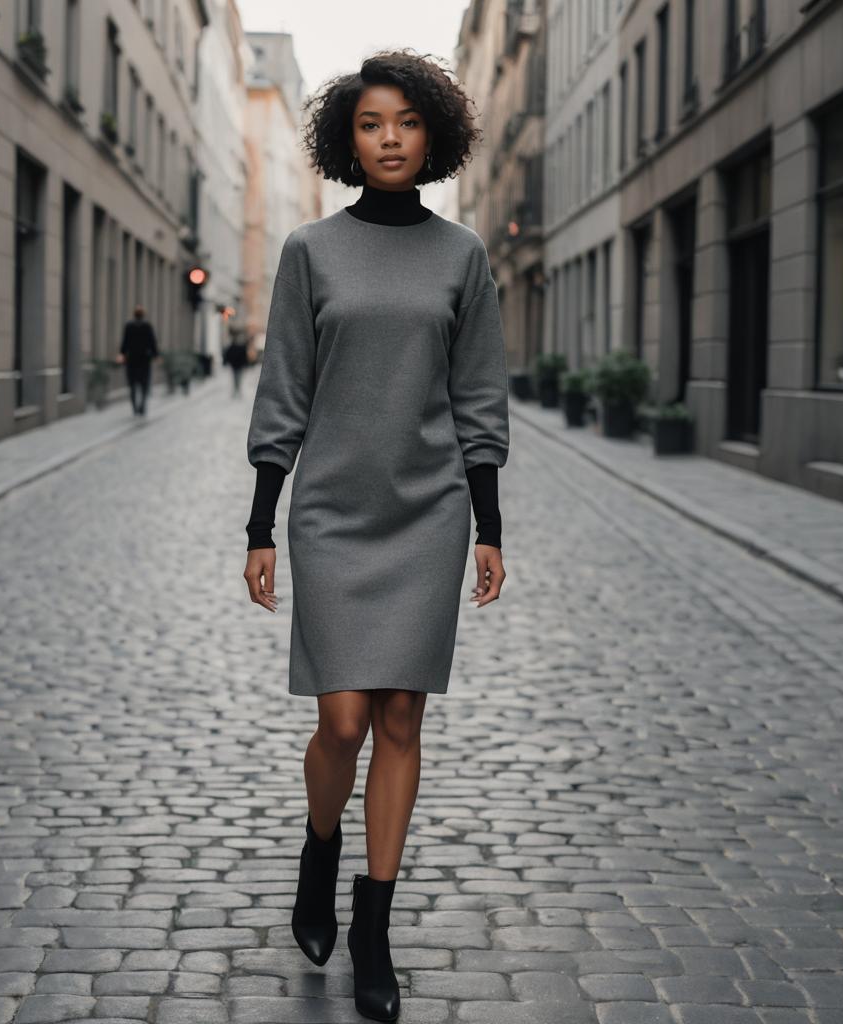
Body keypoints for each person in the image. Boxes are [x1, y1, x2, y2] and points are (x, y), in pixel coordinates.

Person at [242, 51, 509, 1022]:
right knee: (342, 718)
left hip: (428, 510)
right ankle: (320, 851)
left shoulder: (462, 257)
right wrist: (260, 521)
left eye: (404, 122)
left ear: (431, 133)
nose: (389, 138)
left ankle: (373, 926)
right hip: (333, 512)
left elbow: (479, 397)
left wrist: (487, 523)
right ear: (345, 141)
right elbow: (284, 394)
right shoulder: (311, 251)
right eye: (369, 124)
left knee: (401, 719)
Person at [116, 305, 160, 416]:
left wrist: (122, 354)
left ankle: (135, 407)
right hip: (144, 359)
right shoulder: (147, 326)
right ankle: (142, 406)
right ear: (143, 315)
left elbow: (124, 343)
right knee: (144, 384)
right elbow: (152, 342)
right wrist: (156, 355)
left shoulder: (129, 326)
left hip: (132, 359)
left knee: (132, 385)